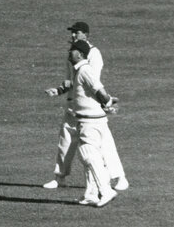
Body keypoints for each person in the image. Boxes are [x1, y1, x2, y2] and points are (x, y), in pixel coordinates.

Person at [43, 21, 128, 190]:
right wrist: (58, 90)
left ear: (86, 34)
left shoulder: (94, 54)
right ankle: (59, 177)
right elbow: (70, 80)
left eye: (77, 32)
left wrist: (105, 104)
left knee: (103, 144)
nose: (73, 35)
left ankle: (119, 178)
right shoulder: (71, 53)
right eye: (72, 32)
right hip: (73, 104)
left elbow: (92, 83)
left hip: (90, 107)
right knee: (65, 140)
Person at [47, 40, 119, 207]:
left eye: (72, 50)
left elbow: (99, 90)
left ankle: (106, 190)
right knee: (87, 156)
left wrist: (108, 104)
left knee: (88, 153)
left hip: (91, 121)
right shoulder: (79, 71)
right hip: (85, 120)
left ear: (79, 54)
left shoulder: (85, 70)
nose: (68, 52)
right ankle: (91, 194)